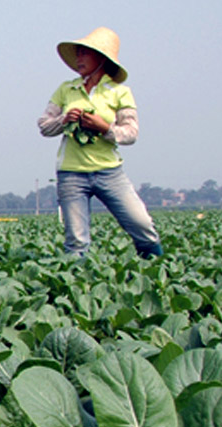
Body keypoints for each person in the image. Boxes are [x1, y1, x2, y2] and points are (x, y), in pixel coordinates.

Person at [37, 27, 163, 258]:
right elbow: (44, 126)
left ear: (101, 58)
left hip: (109, 171)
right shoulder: (66, 89)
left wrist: (104, 128)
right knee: (76, 241)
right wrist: (64, 120)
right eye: (78, 53)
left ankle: (157, 269)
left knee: (142, 226)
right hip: (71, 173)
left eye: (85, 53)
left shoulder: (120, 92)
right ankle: (76, 285)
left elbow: (131, 133)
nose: (79, 58)